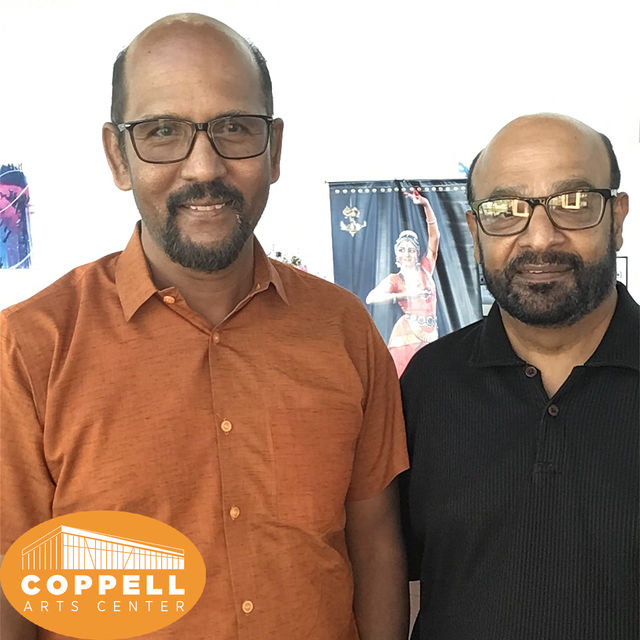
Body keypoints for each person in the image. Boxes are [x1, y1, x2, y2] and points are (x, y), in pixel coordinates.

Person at [0, 14, 409, 640]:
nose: (203, 167)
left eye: (234, 127)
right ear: (117, 156)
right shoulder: (30, 347)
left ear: (274, 149)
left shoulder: (344, 330)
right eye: (163, 131)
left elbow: (374, 543)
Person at [400, 113, 638, 639]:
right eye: (506, 210)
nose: (540, 238)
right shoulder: (428, 386)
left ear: (617, 218)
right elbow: (398, 570)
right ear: (474, 232)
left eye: (573, 202)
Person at [366, 189, 440, 375]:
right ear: (397, 255)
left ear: (417, 253)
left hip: (430, 333)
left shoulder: (426, 269)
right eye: (403, 250)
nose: (407, 254)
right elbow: (371, 298)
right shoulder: (395, 279)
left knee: (431, 377)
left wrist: (426, 205)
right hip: (406, 335)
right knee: (405, 377)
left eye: (411, 250)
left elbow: (434, 238)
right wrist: (406, 295)